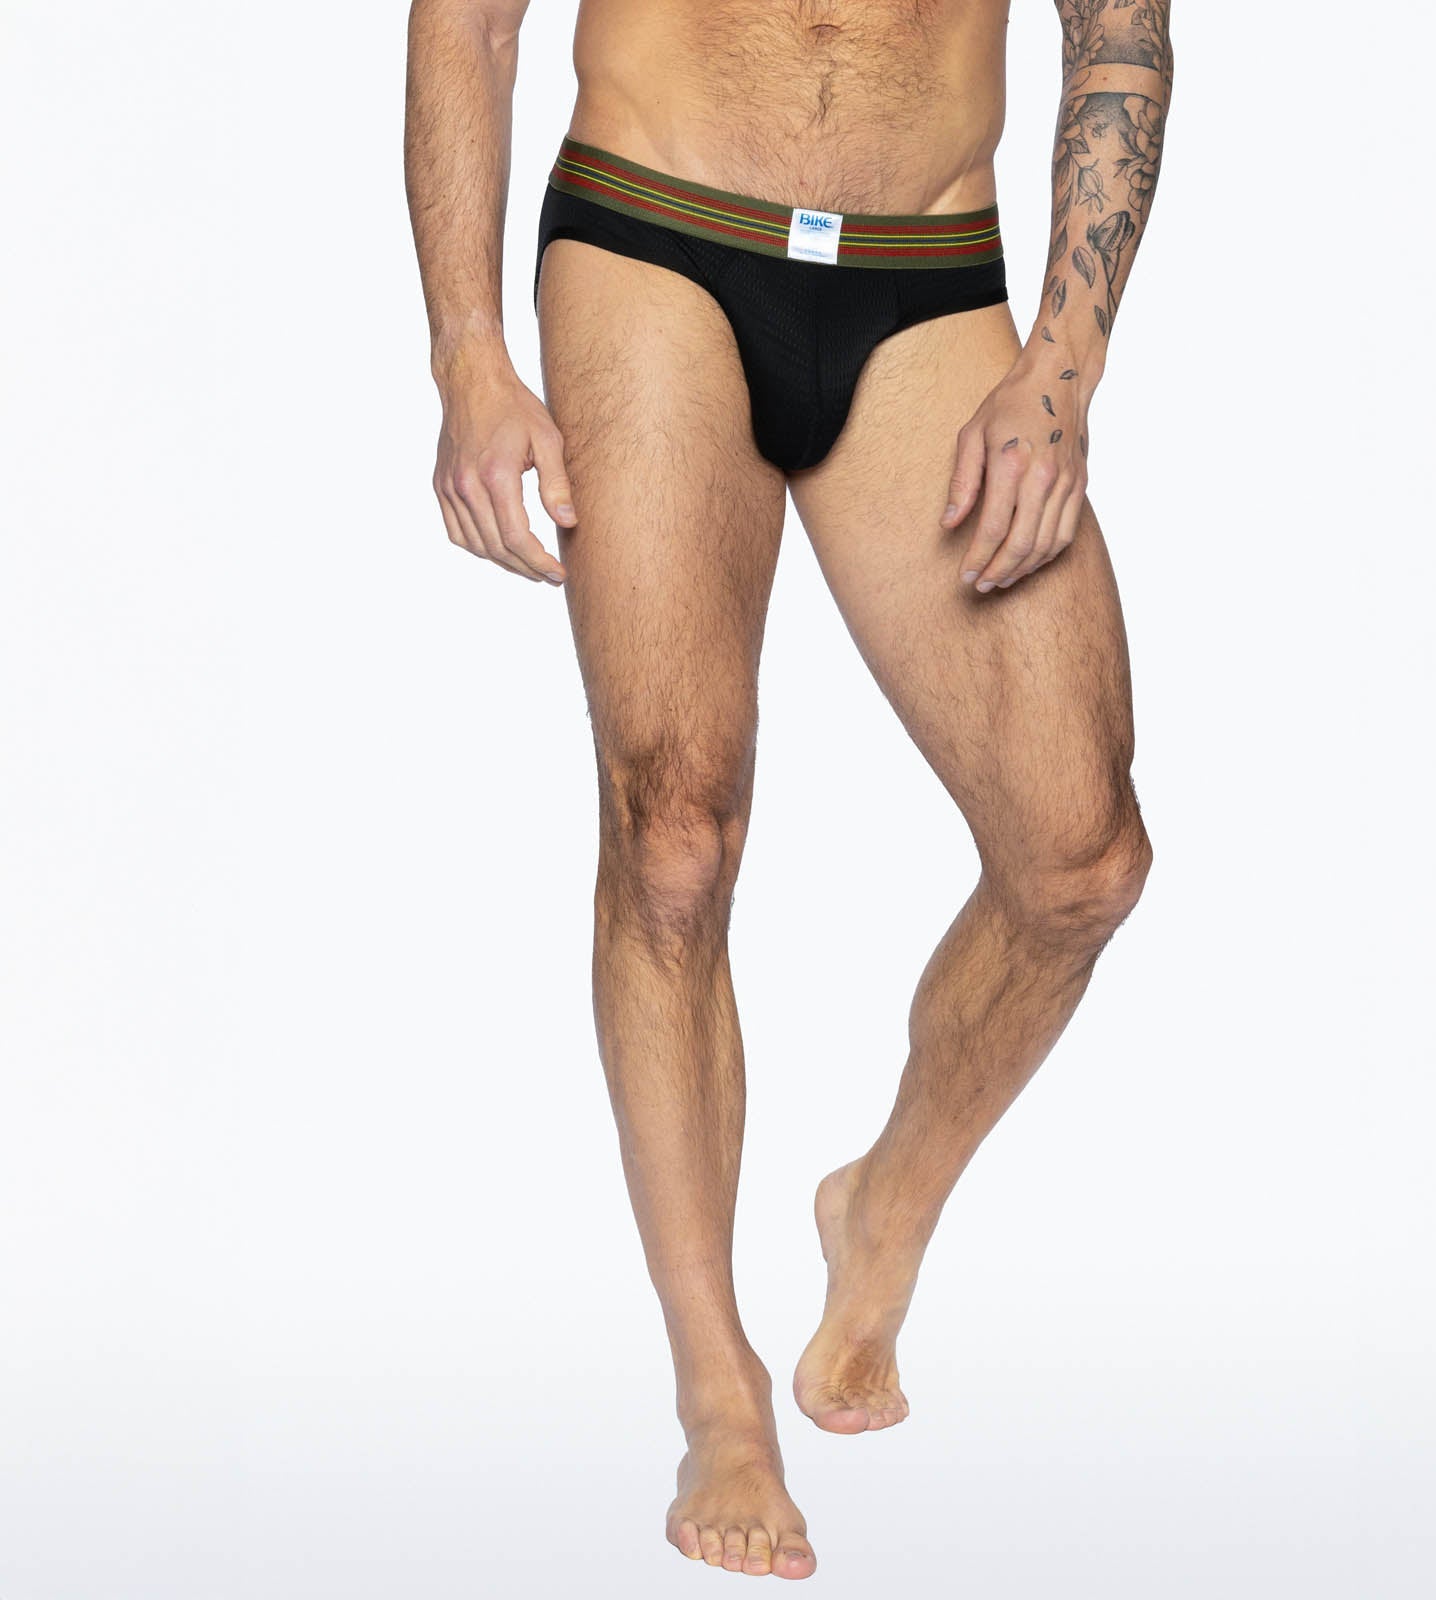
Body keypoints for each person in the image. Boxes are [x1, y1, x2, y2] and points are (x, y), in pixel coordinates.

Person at [404, 0, 1173, 1578]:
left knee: (1080, 859)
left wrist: (1063, 368)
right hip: (654, 236)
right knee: (674, 832)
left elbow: (1120, 39)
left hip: (925, 276)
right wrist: (469, 351)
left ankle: (883, 1202)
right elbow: (468, 21)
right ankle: (720, 1393)